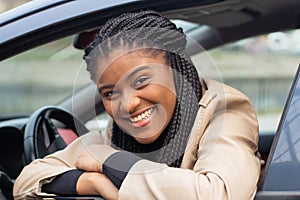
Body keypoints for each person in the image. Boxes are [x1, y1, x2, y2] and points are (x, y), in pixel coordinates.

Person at [13, 10, 261, 200]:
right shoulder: (116, 132)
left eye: (141, 81)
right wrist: (92, 183)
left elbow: (219, 194)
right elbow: (26, 182)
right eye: (111, 93)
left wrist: (112, 162)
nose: (128, 104)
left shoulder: (225, 109)